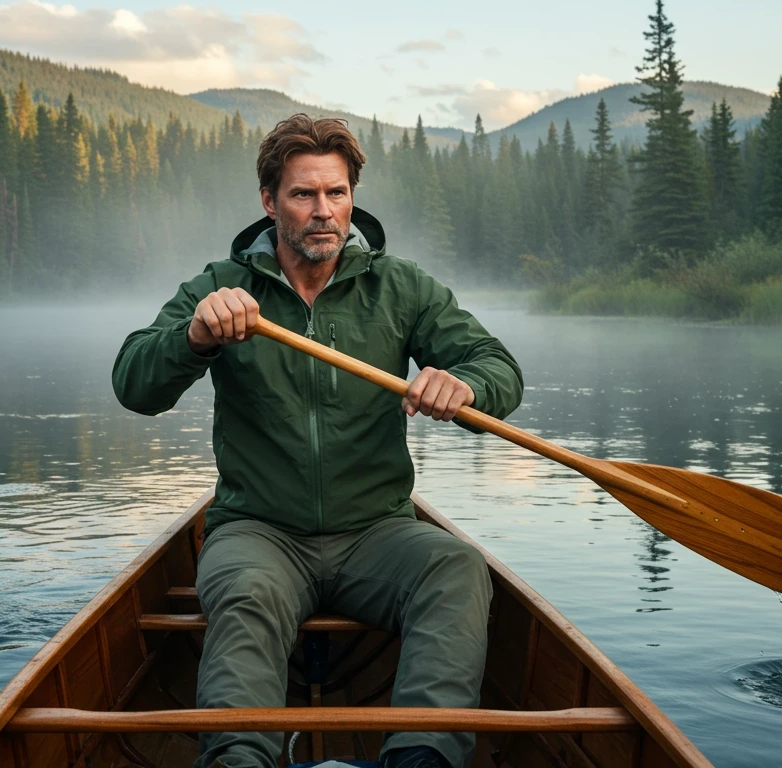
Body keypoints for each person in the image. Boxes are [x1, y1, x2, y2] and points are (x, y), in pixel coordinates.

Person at [112, 114, 523, 768]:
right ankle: (240, 760)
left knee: (457, 566)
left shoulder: (401, 288)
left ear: (352, 196)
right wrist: (194, 336)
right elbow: (134, 384)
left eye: (336, 193)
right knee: (245, 591)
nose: (323, 211)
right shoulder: (221, 288)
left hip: (376, 533)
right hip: (259, 531)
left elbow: (498, 365)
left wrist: (466, 386)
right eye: (303, 195)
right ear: (270, 201)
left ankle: (421, 758)